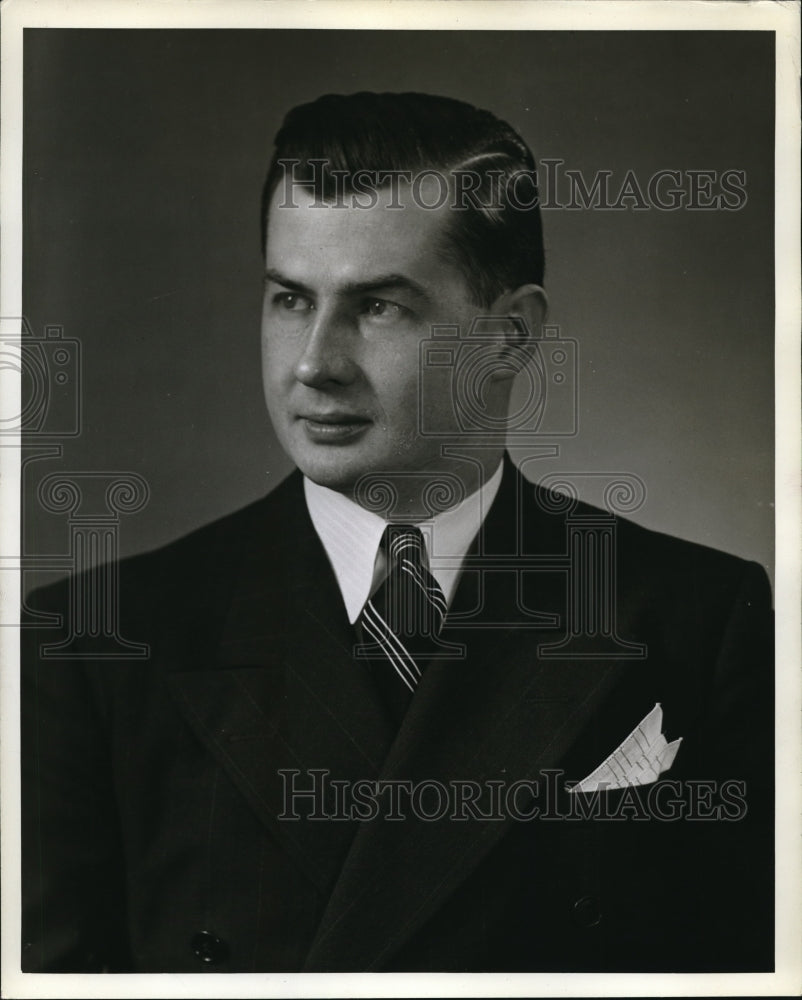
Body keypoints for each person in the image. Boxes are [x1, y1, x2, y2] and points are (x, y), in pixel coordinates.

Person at [21, 91, 773, 974]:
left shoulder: (698, 617)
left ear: (512, 335)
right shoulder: (93, 646)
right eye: (291, 299)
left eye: (379, 307)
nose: (314, 363)